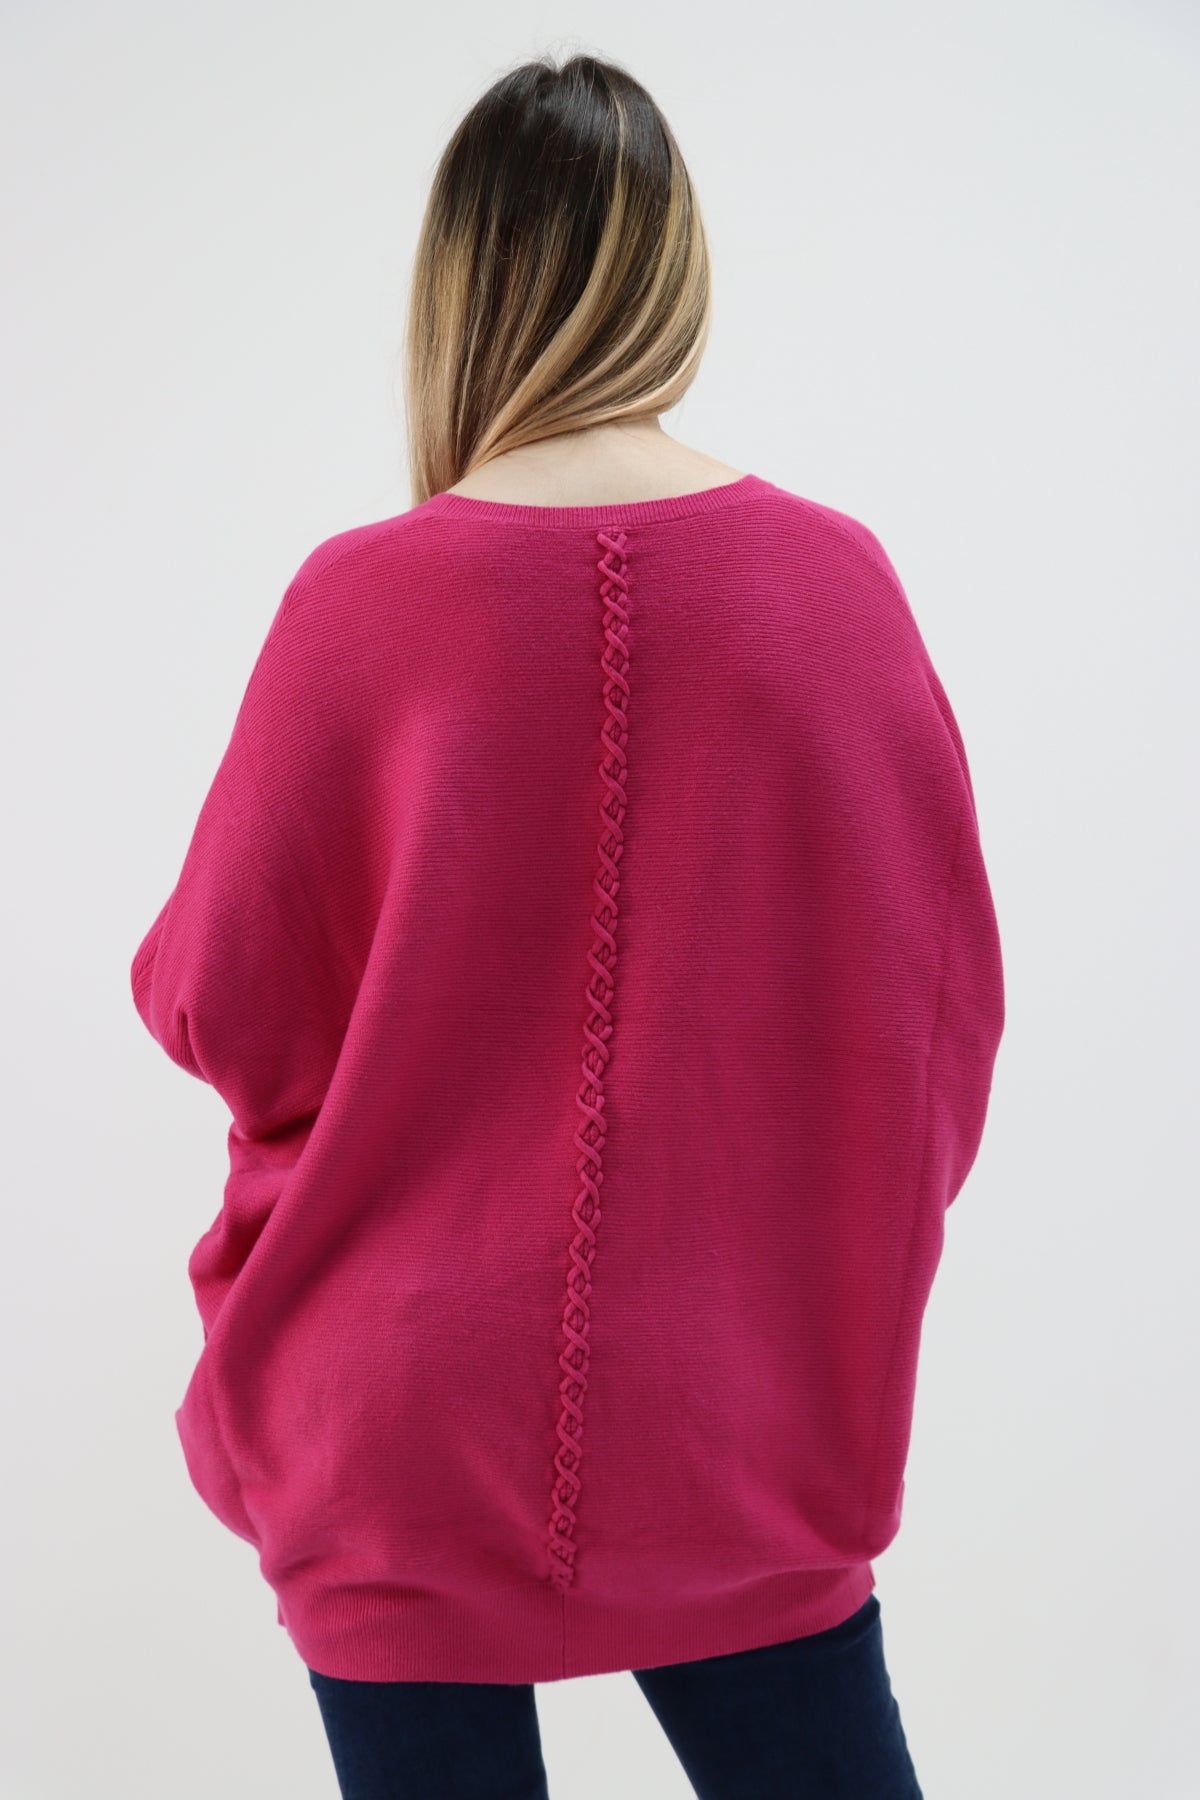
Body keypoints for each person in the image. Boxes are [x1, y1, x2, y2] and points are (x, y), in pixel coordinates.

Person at [130, 49, 1004, 1800]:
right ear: (673, 269)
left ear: (459, 287)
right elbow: (944, 1018)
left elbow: (217, 995)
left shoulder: (360, 603)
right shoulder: (835, 587)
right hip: (749, 1415)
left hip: (393, 1416)